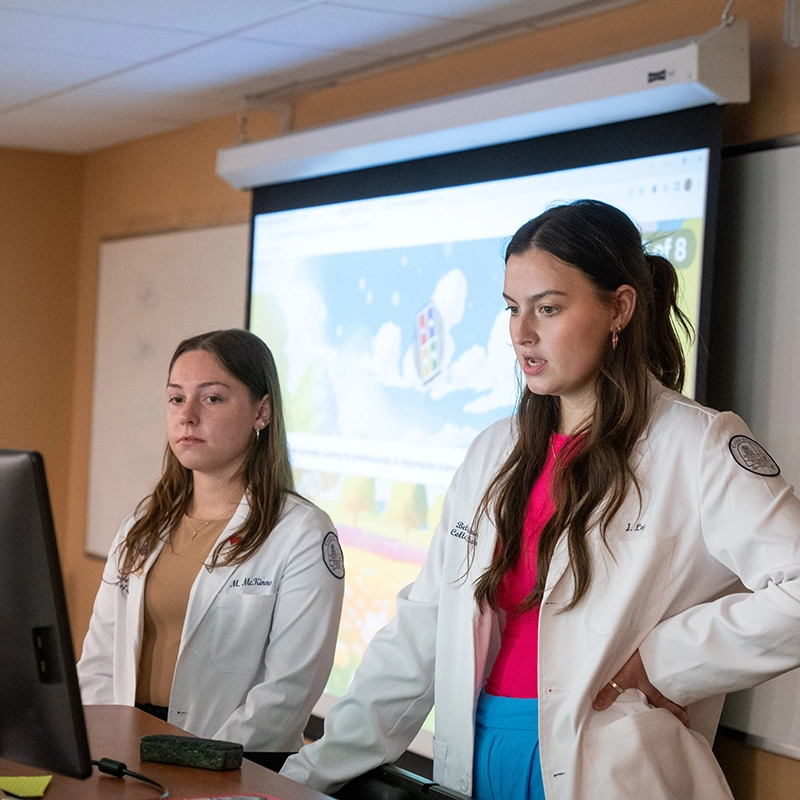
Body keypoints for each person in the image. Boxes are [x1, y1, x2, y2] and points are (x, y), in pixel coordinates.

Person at [280, 200, 800, 800]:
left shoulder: (696, 443)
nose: (520, 333)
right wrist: (302, 779)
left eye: (548, 308)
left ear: (620, 308)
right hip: (479, 756)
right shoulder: (491, 453)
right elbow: (421, 634)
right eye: (512, 308)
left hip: (609, 767)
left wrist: (666, 661)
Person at [78, 328, 345, 758]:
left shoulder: (301, 533)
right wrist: (100, 748)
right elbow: (98, 661)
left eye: (213, 398)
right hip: (124, 755)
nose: (188, 415)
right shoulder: (141, 524)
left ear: (262, 412)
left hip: (234, 765)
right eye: (176, 398)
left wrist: (197, 760)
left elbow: (287, 692)